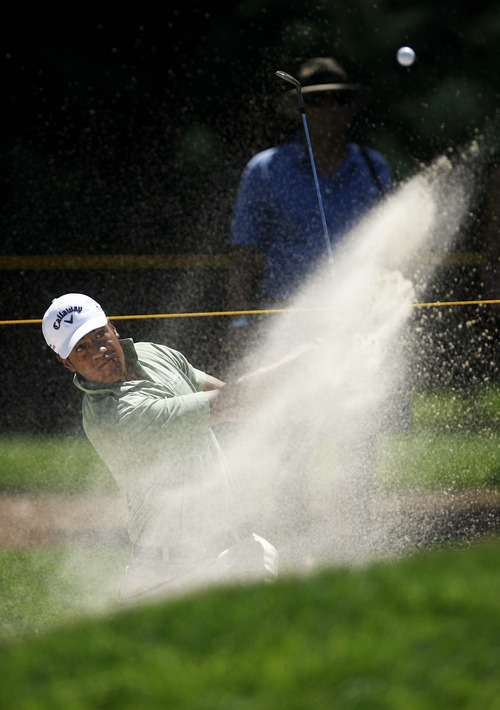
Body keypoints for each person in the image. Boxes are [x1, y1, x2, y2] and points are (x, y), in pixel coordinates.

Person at [42, 293, 321, 604]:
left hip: (237, 553)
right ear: (65, 362)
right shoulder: (115, 416)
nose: (99, 350)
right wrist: (304, 359)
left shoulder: (153, 355)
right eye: (81, 348)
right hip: (166, 576)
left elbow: (233, 396)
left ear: (113, 327)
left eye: (99, 334)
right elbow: (230, 404)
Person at [228, 56, 392, 331]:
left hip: (361, 316)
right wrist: (239, 322)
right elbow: (243, 253)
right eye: (317, 101)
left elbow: (390, 249)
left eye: (338, 100)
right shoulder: (265, 169)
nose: (329, 109)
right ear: (296, 109)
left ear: (350, 108)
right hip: (284, 319)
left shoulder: (374, 167)